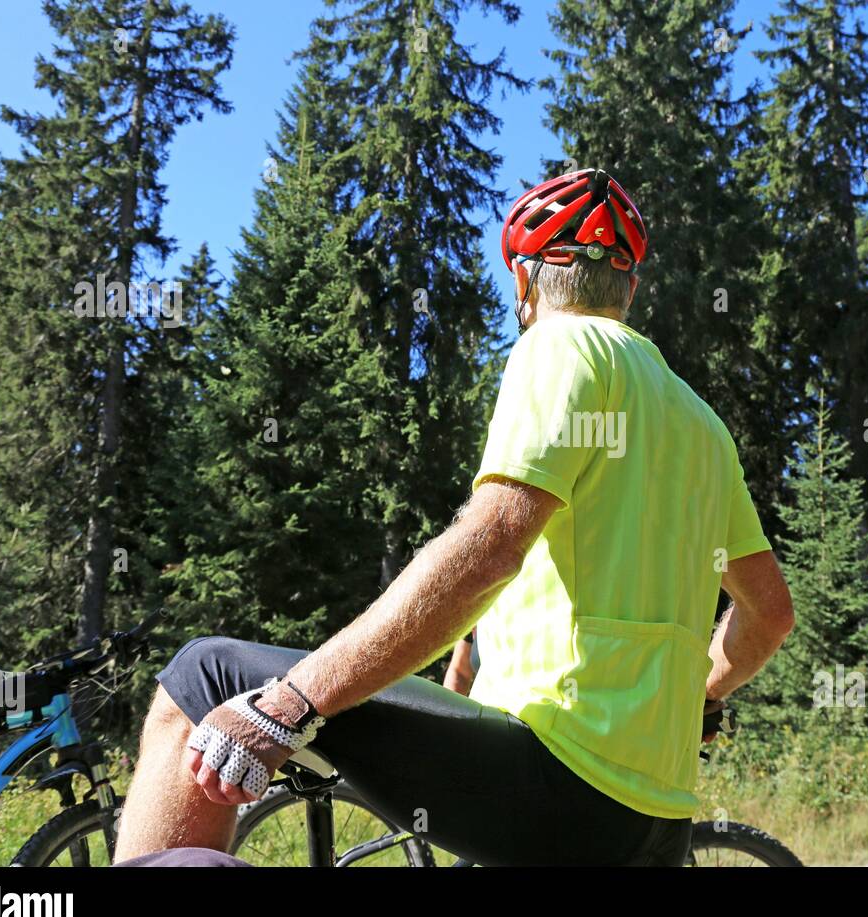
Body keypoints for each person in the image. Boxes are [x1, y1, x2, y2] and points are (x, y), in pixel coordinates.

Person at [113, 168, 795, 866]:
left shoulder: (560, 348)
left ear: (525, 287)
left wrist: (294, 702)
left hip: (554, 775)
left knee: (202, 678)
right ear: (632, 289)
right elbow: (768, 614)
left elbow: (491, 547)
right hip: (655, 821)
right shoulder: (702, 424)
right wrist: (696, 697)